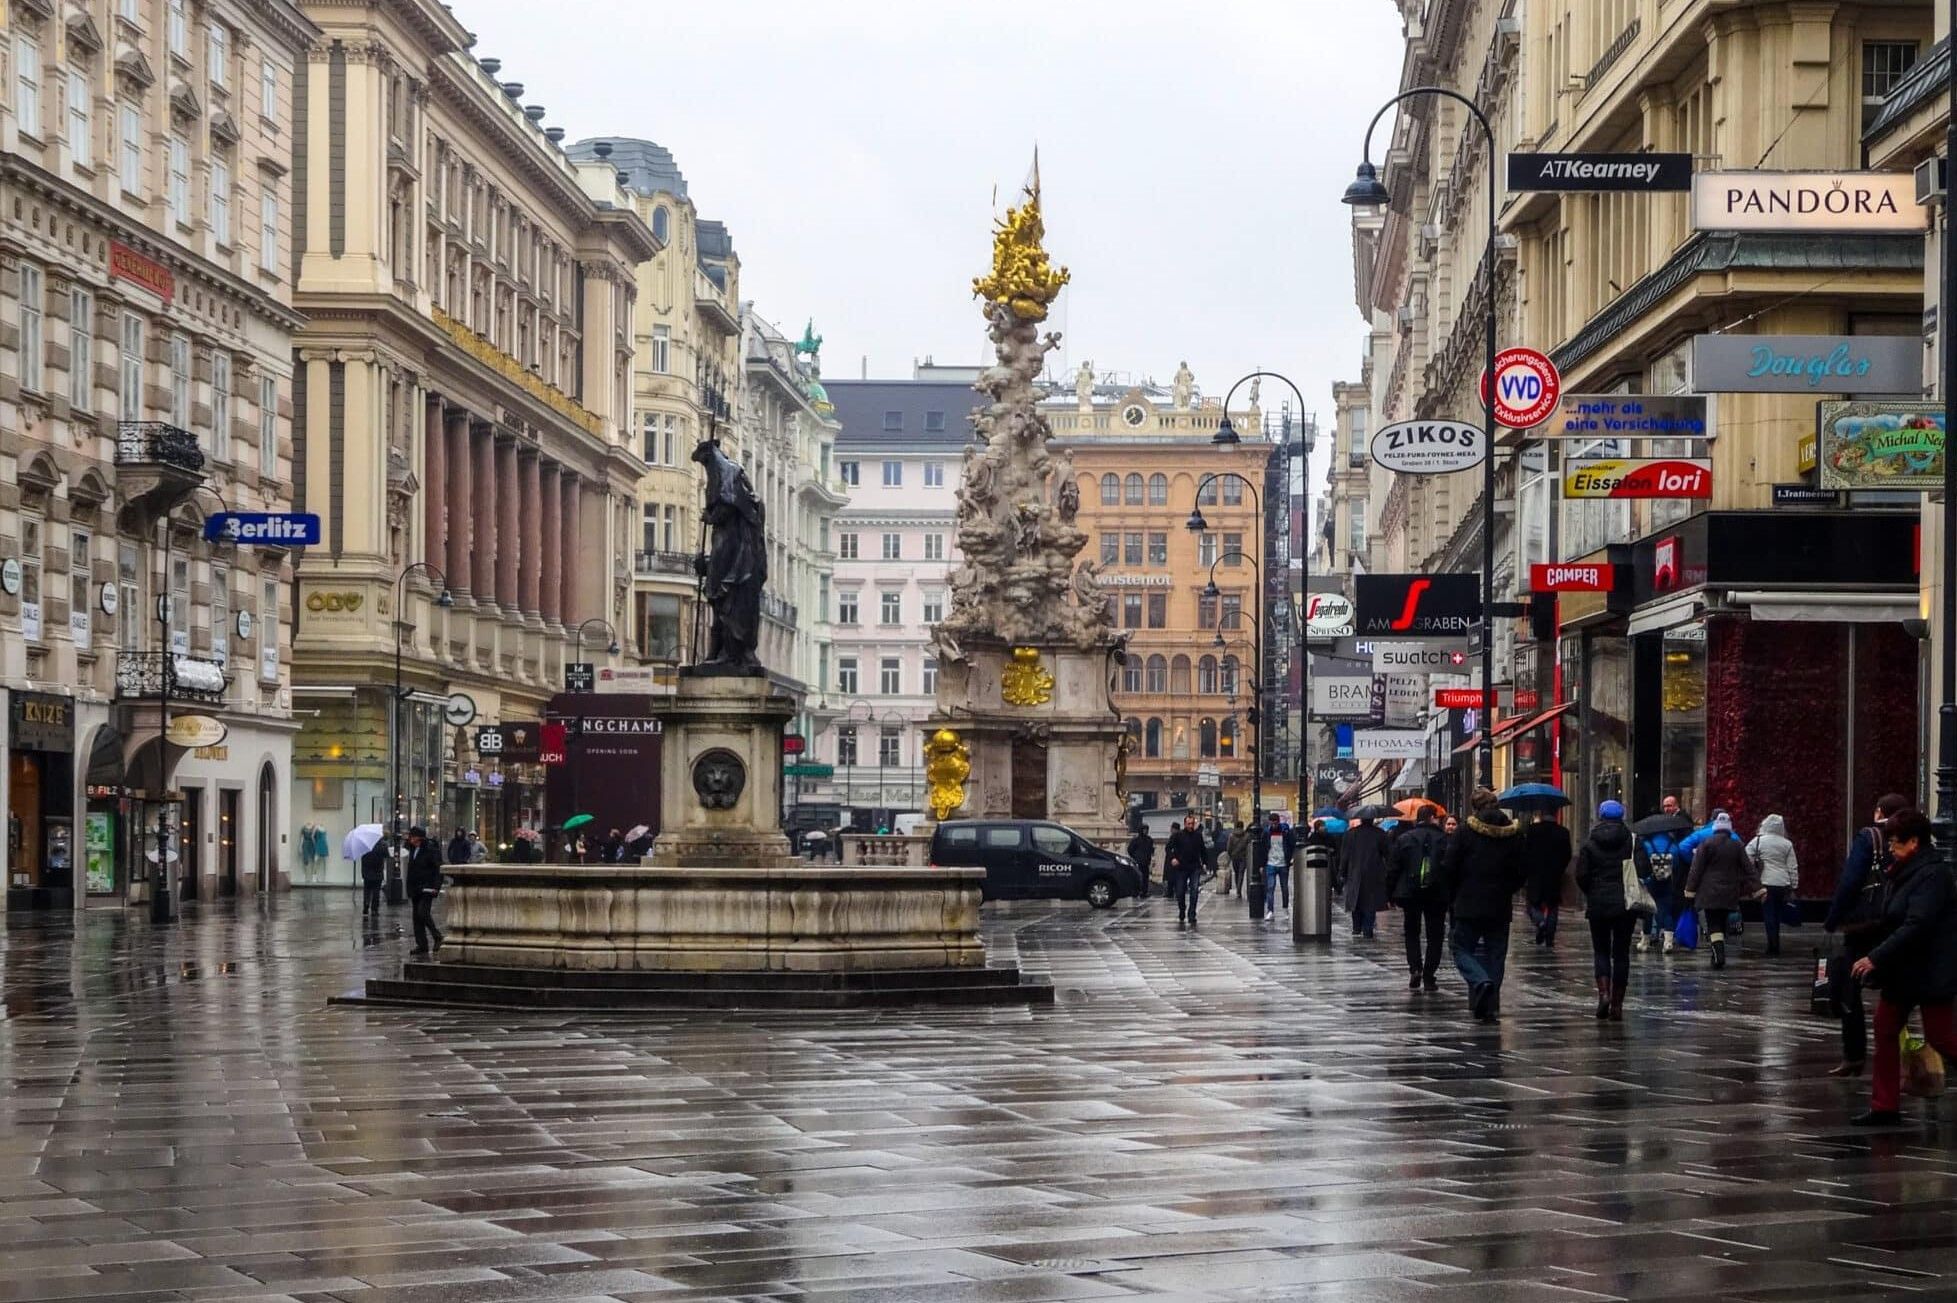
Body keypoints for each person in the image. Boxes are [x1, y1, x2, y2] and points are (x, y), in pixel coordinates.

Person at [1850, 809, 1957, 1127]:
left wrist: (1876, 956)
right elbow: (1893, 917)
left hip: (1930, 969)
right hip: (1903, 970)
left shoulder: (1934, 875)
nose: (1890, 847)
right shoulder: (1902, 870)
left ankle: (1885, 1105)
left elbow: (1917, 923)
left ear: (1914, 842)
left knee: (1941, 1036)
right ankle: (1885, 1106)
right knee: (1885, 1028)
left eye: (1895, 841)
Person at [1825, 792, 1911, 1076]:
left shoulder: (1869, 837)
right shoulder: (1913, 839)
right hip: (1898, 924)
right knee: (1897, 990)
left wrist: (1833, 919)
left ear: (1878, 812)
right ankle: (1905, 1051)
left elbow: (1850, 881)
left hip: (1866, 924)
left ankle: (1854, 1054)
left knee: (1851, 986)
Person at [1446, 788, 1525, 1022]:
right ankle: (1488, 1008)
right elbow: (1521, 870)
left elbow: (1450, 865)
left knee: (1460, 948)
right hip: (1500, 904)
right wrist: (1507, 888)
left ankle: (1480, 981)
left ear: (1475, 807)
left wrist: (1455, 892)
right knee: (1496, 955)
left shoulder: (1464, 833)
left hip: (1468, 902)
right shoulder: (1513, 834)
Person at [1572, 800, 1641, 1020]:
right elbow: (1645, 868)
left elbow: (1581, 875)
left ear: (1600, 816)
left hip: (1599, 904)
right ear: (1622, 816)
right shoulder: (1631, 841)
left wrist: (1591, 892)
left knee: (1601, 951)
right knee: (1621, 953)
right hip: (1625, 904)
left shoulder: (1590, 844)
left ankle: (1603, 994)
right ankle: (1618, 1005)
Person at [1683, 812, 1762, 970]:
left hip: (1709, 891)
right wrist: (1758, 888)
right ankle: (1718, 952)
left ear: (1715, 827)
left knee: (1713, 923)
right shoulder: (1737, 845)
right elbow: (1748, 868)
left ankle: (1718, 954)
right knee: (1722, 921)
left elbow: (1696, 870)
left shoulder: (1706, 843)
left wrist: (1689, 890)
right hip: (1730, 891)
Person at [1385, 807, 1450, 991]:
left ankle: (1415, 968)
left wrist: (1389, 894)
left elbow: (1393, 869)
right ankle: (1429, 975)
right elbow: (1451, 867)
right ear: (1431, 818)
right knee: (1435, 935)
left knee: (1412, 931)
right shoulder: (1443, 839)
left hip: (1410, 893)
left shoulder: (1404, 839)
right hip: (1436, 893)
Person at [1746, 813, 1799, 958]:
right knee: (1777, 914)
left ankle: (1772, 945)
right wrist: (1794, 885)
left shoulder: (1758, 841)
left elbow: (1746, 858)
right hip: (1783, 883)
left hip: (1766, 882)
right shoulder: (1787, 844)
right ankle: (1776, 942)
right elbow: (1792, 866)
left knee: (1768, 913)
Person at [1522, 810, 1574, 947]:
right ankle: (1550, 937)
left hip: (1535, 873)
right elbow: (1567, 854)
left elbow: (1525, 851)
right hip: (1554, 874)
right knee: (1553, 905)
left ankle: (1540, 922)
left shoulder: (1533, 830)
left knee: (1533, 904)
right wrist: (1560, 868)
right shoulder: (1563, 832)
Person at [1338, 811, 1392, 939]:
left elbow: (1344, 856)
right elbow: (1388, 854)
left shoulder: (1350, 834)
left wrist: (1341, 873)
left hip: (1354, 871)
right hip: (1373, 872)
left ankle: (1356, 928)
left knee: (1355, 901)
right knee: (1370, 902)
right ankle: (1368, 929)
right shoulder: (1380, 834)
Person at [403, 826, 446, 955]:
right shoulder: (412, 849)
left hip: (427, 887)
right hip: (415, 887)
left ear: (418, 838)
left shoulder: (430, 850)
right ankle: (422, 944)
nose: (410, 838)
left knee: (423, 912)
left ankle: (437, 936)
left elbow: (439, 869)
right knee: (416, 917)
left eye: (412, 836)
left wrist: (436, 887)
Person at [1165, 814, 1208, 927]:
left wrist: (1205, 863)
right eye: (1188, 824)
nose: (1190, 826)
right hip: (1181, 867)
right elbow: (1168, 848)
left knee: (1194, 890)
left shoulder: (1198, 836)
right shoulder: (1178, 835)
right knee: (1180, 892)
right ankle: (1182, 909)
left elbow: (1203, 850)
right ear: (1185, 824)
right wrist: (1173, 858)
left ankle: (1192, 913)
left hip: (1194, 867)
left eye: (1192, 824)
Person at [1254, 812, 1295, 922]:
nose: (1274, 825)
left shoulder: (1285, 832)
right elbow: (1262, 850)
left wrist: (1290, 858)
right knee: (1270, 888)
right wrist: (1262, 864)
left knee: (1284, 888)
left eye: (1275, 823)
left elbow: (1292, 845)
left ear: (1278, 822)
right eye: (1272, 823)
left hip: (1282, 863)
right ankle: (1270, 910)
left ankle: (1285, 909)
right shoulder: (1267, 833)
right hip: (1271, 863)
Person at [359, 837, 388, 916]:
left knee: (367, 890)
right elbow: (386, 855)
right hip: (377, 872)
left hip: (367, 872)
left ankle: (366, 906)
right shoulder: (382, 845)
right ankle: (374, 909)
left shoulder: (365, 845)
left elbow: (362, 857)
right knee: (376, 891)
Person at [1127, 824, 1156, 898]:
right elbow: (1130, 850)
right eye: (1144, 829)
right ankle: (1135, 891)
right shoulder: (1136, 840)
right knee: (1137, 877)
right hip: (1138, 862)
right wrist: (1135, 857)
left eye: (1147, 830)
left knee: (1145, 878)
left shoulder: (1149, 840)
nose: (1146, 831)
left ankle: (1144, 892)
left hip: (1145, 862)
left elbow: (1152, 850)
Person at [1228, 821, 1254, 899]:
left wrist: (1230, 855)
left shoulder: (1231, 835)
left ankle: (1238, 889)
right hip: (1243, 857)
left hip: (1234, 857)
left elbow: (1229, 847)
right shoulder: (1246, 836)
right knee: (1241, 873)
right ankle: (1239, 889)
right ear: (1242, 826)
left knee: (1236, 873)